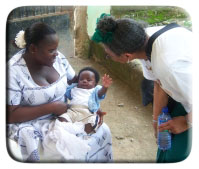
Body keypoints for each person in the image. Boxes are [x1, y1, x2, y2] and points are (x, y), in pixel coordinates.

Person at [92, 13, 192, 162]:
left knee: (178, 156)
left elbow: (165, 75)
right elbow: (159, 84)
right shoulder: (144, 41)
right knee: (165, 146)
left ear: (127, 56)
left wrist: (186, 121)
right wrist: (155, 122)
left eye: (109, 55)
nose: (109, 58)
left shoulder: (169, 66)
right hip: (186, 94)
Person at [7, 22, 113, 162]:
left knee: (102, 130)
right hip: (31, 124)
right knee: (65, 153)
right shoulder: (13, 71)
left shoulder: (58, 59)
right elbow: (10, 114)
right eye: (51, 50)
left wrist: (90, 104)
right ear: (33, 48)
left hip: (66, 116)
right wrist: (51, 107)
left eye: (56, 49)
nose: (56, 54)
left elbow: (75, 81)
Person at [58, 67, 112, 134]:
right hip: (72, 111)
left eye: (89, 80)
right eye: (81, 79)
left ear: (95, 83)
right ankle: (70, 132)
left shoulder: (94, 90)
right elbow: (64, 92)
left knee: (92, 122)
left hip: (88, 113)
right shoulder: (73, 88)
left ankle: (84, 135)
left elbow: (100, 94)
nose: (84, 81)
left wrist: (105, 87)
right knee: (62, 119)